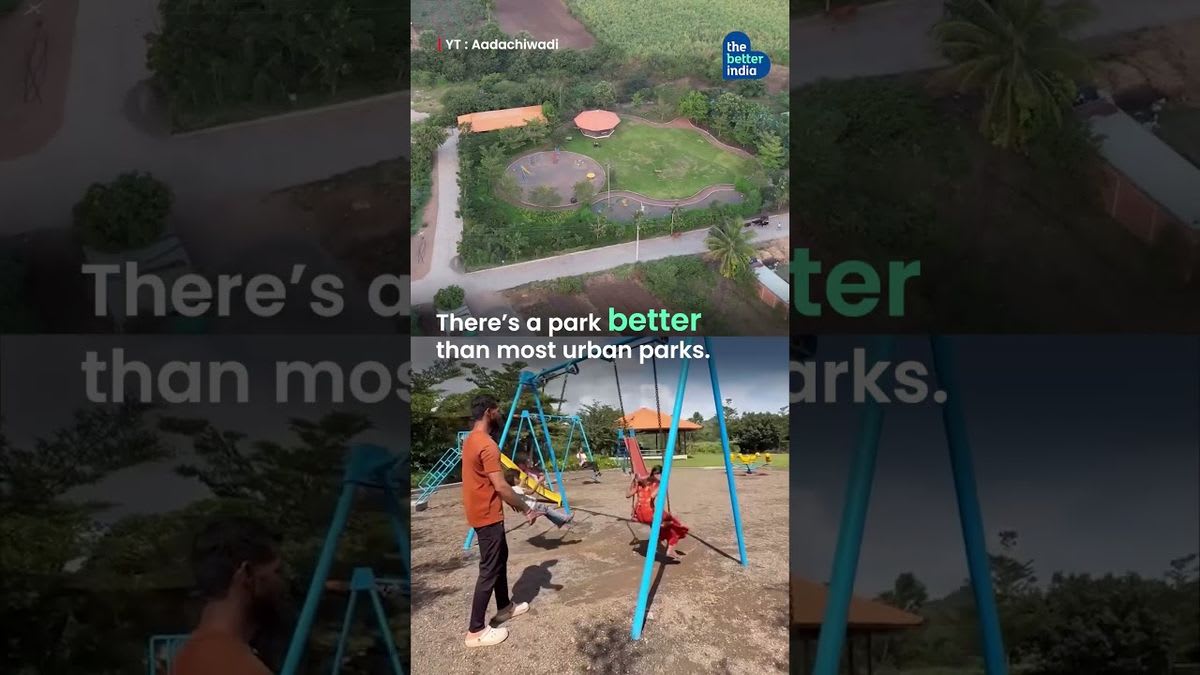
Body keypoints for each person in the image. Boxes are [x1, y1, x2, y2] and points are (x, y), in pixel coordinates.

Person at [463, 395, 542, 648]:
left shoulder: (470, 439)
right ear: (489, 412)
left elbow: (490, 484)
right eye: (497, 410)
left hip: (481, 512)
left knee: (500, 559)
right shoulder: (487, 444)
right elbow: (501, 485)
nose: (500, 414)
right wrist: (526, 509)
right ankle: (475, 631)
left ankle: (505, 607)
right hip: (487, 515)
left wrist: (510, 502)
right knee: (489, 569)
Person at [173, 517, 288, 675]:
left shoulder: (192, 655)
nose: (283, 583)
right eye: (277, 572)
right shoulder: (233, 665)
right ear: (246, 574)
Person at [627, 465, 689, 560]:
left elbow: (627, 495)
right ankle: (670, 548)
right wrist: (663, 486)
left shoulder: (639, 484)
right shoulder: (655, 484)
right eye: (657, 474)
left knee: (666, 524)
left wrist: (633, 482)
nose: (659, 476)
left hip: (640, 514)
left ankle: (663, 534)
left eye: (660, 474)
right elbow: (652, 495)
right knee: (675, 525)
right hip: (648, 514)